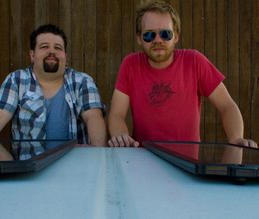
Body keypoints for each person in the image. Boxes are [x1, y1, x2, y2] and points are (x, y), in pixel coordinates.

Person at [108, 1, 257, 160]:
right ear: (139, 38)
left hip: (187, 166)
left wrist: (235, 141)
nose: (158, 40)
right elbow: (116, 114)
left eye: (165, 34)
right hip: (144, 163)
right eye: (149, 35)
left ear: (176, 36)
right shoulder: (130, 64)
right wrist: (122, 137)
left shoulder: (194, 61)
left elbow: (227, 106)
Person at [0, 24, 107, 161]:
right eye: (44, 47)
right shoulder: (16, 80)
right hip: (30, 177)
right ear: (32, 55)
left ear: (65, 55)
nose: (52, 51)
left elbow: (93, 117)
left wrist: (97, 157)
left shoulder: (82, 81)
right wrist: (14, 174)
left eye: (58, 48)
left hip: (75, 172)